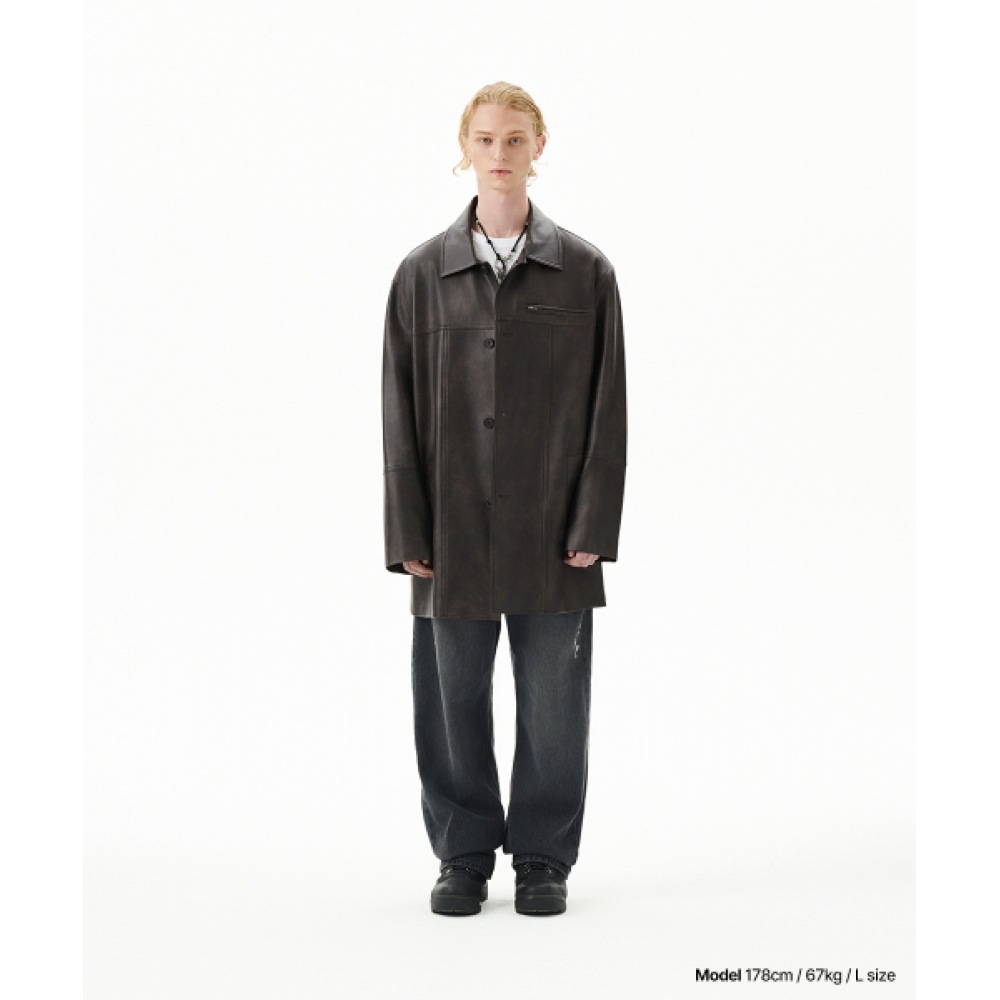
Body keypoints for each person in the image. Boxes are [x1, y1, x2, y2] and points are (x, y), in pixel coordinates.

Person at [381, 81, 627, 916]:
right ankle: (462, 855)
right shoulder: (421, 274)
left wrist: (594, 521)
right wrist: (407, 529)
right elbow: (397, 410)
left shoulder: (585, 271)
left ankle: (543, 858)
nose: (499, 154)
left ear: (538, 148)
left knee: (554, 705)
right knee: (450, 700)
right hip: (448, 529)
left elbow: (608, 407)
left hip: (555, 529)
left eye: (515, 139)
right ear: (465, 148)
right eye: (485, 139)